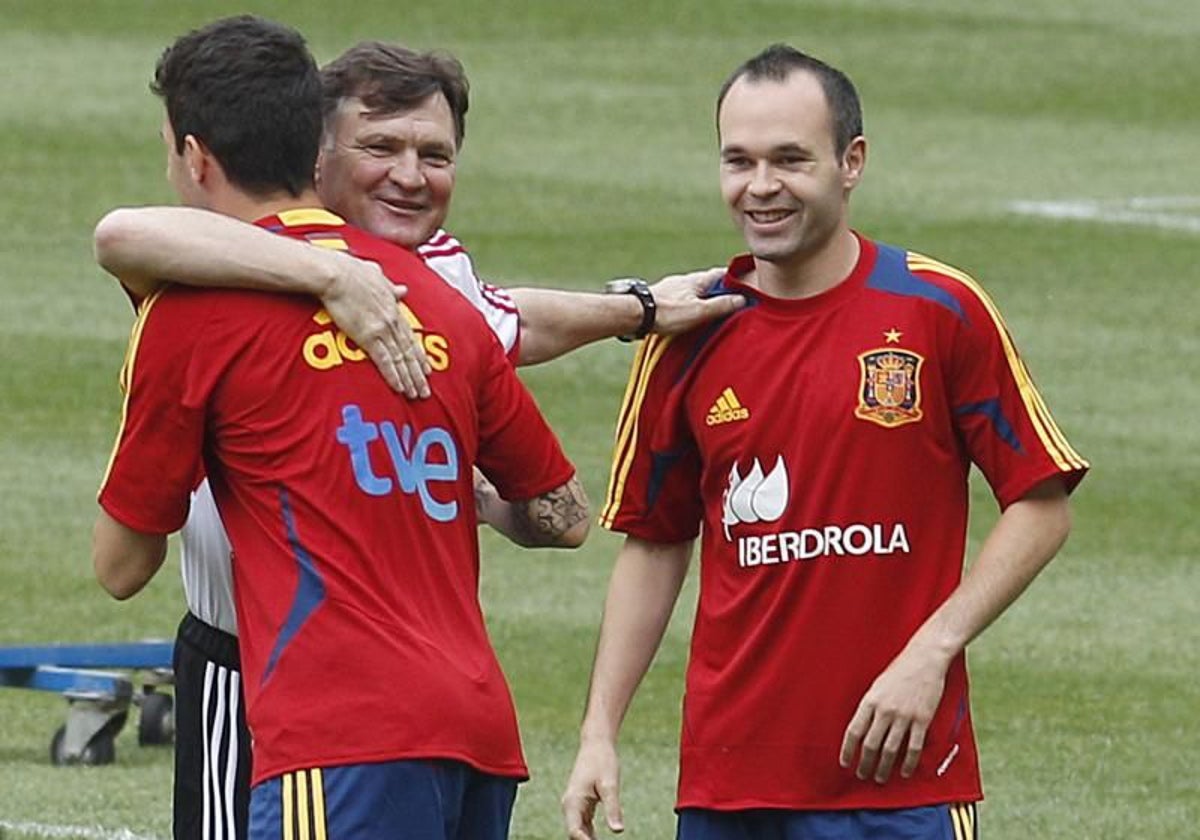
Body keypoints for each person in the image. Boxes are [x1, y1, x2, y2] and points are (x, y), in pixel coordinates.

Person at [91, 40, 742, 840]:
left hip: (317, 711)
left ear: (194, 156)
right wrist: (332, 278)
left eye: (434, 153)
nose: (408, 173)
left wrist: (637, 311)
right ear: (316, 151)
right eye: (382, 146)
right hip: (470, 724)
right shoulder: (436, 304)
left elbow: (121, 567)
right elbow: (565, 515)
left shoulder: (197, 310)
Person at [561, 43, 1089, 840]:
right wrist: (599, 731)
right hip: (728, 785)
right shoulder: (685, 333)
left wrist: (932, 652)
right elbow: (654, 543)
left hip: (902, 782)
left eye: (789, 160)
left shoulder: (937, 309)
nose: (760, 187)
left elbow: (1041, 503)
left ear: (852, 162)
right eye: (737, 161)